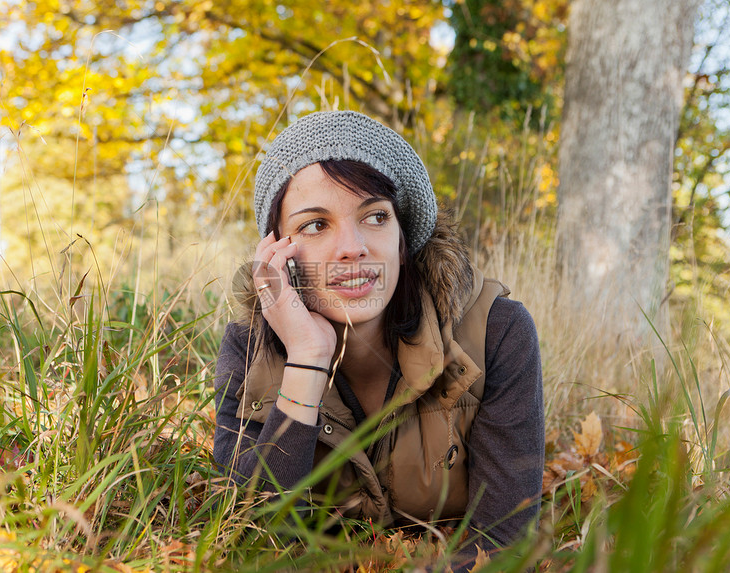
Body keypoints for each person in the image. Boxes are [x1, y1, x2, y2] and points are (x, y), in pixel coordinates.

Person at [213, 110, 544, 564]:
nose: (352, 246)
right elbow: (250, 532)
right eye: (315, 224)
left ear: (403, 244)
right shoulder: (247, 348)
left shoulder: (495, 333)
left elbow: (504, 539)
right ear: (279, 256)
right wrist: (307, 358)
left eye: (375, 217)